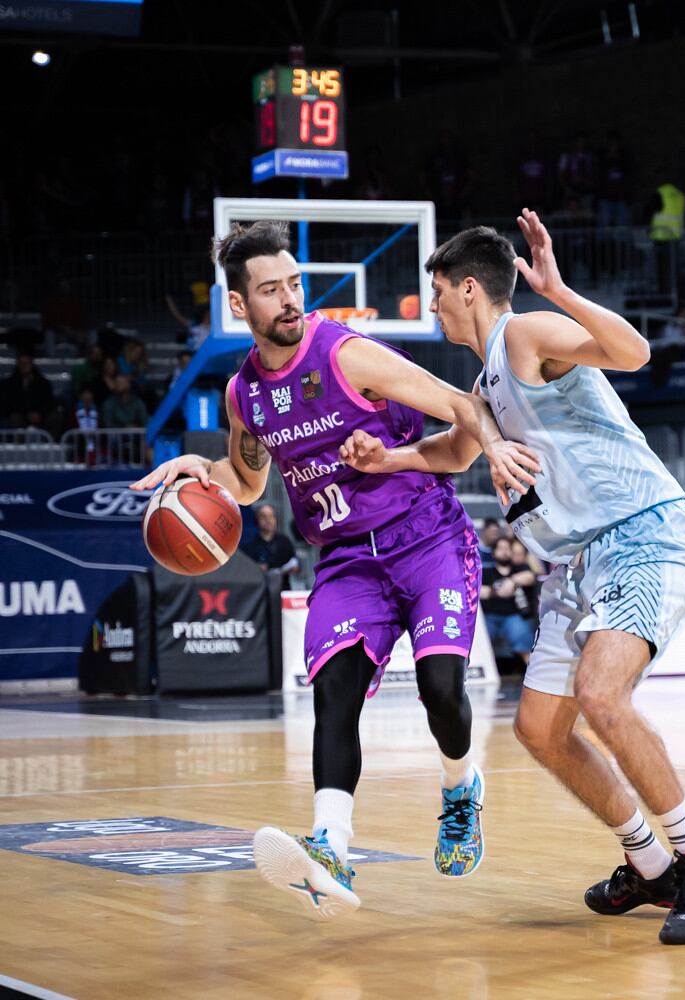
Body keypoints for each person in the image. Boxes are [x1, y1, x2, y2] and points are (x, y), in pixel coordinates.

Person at [130, 220, 539, 919]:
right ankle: (331, 847)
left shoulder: (347, 355)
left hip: (426, 537)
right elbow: (249, 482)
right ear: (240, 307)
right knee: (334, 693)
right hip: (346, 558)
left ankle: (460, 786)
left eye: (294, 284)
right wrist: (205, 471)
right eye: (270, 290)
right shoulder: (243, 397)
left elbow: (460, 404)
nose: (290, 299)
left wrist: (495, 448)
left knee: (442, 690)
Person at [341, 214, 685, 945]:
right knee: (539, 728)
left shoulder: (522, 336)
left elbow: (634, 351)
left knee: (600, 697)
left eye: (436, 294)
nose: (430, 308)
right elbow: (458, 451)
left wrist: (561, 293)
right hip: (578, 562)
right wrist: (386, 461)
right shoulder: (486, 378)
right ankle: (650, 866)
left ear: (467, 289)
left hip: (642, 534)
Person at [482, 536, 538, 669]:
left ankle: (532, 672)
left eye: (507, 548)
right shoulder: (485, 571)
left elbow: (530, 577)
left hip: (513, 616)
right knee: (479, 636)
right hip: (489, 617)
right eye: (500, 548)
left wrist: (511, 581)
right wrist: (495, 592)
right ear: (494, 552)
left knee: (521, 633)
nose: (504, 551)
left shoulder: (520, 568)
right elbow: (477, 591)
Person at [243, 503, 299, 579]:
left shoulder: (284, 542)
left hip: (283, 587)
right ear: (257, 520)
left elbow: (295, 566)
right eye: (263, 516)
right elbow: (246, 569)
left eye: (271, 516)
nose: (268, 520)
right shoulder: (251, 544)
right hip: (260, 587)